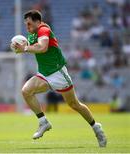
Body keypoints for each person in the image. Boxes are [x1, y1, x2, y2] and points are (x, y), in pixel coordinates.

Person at [12, 10, 107, 147]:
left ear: (38, 22)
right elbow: (33, 46)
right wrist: (22, 47)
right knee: (26, 91)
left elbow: (43, 47)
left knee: (74, 104)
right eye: (26, 25)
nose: (27, 27)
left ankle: (96, 128)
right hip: (44, 74)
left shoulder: (43, 29)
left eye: (29, 24)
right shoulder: (31, 35)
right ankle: (43, 122)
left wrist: (25, 48)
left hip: (58, 74)